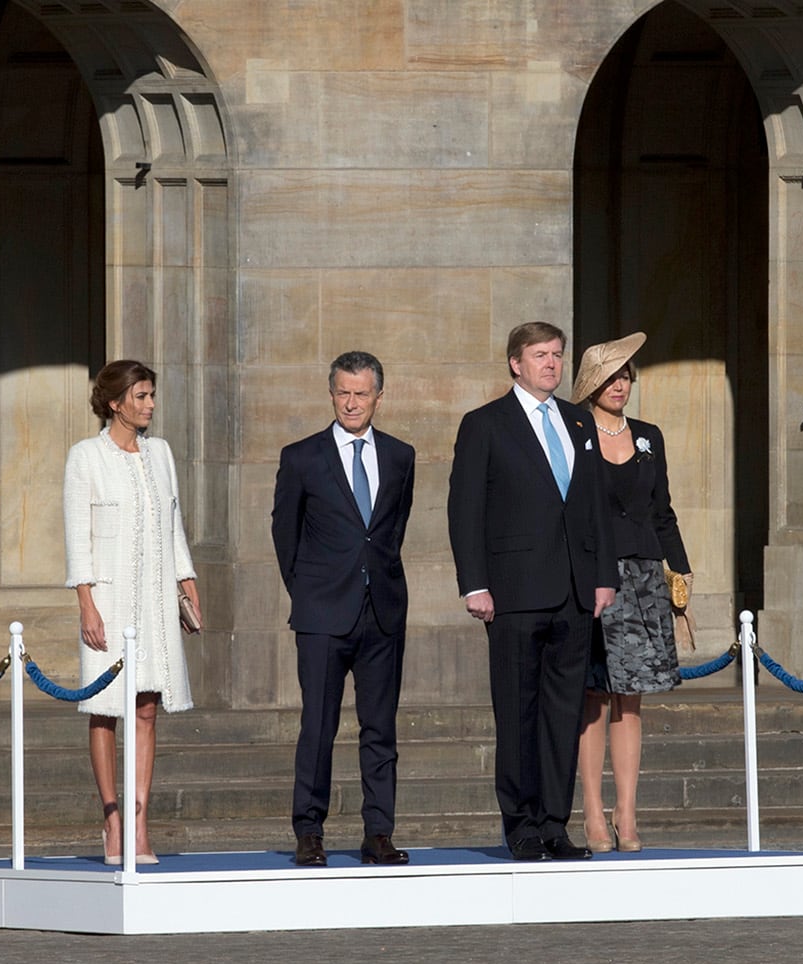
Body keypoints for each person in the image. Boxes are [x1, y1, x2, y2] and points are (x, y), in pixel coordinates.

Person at [447, 321, 617, 861]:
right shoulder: (485, 424)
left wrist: (604, 575)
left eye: (558, 355)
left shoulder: (577, 421)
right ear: (515, 363)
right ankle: (519, 824)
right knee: (517, 712)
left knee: (563, 714)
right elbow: (465, 510)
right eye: (540, 355)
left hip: (573, 593)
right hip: (514, 592)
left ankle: (553, 823)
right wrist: (475, 584)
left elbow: (595, 505)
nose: (551, 364)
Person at [271, 351, 417, 868]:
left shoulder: (401, 456)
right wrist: (309, 591)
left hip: (382, 612)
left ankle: (379, 831)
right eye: (343, 392)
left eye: (361, 393)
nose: (352, 403)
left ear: (380, 395)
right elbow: (284, 535)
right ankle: (309, 831)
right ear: (331, 394)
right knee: (318, 726)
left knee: (381, 728)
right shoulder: (302, 457)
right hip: (322, 615)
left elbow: (390, 530)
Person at [63, 360, 200, 866]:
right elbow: (77, 537)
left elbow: (173, 521)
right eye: (141, 396)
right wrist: (86, 604)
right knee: (106, 708)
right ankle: (112, 821)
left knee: (146, 707)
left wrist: (187, 578)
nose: (150, 405)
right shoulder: (85, 457)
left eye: (152, 395)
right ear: (116, 402)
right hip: (108, 598)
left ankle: (141, 823)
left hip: (156, 595)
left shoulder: (159, 453)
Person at [569, 332, 691, 854]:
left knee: (630, 701)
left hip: (643, 578)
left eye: (626, 375)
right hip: (592, 576)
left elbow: (662, 510)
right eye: (610, 376)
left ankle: (628, 813)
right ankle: (593, 813)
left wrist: (680, 575)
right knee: (591, 700)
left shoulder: (649, 436)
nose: (620, 384)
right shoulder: (573, 434)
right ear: (591, 383)